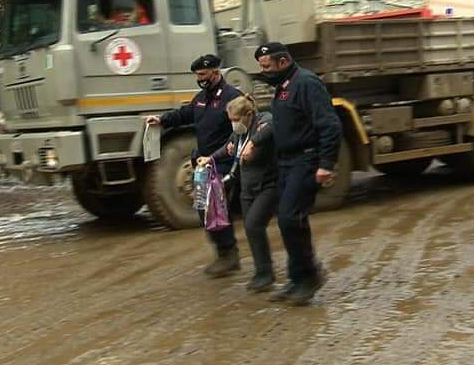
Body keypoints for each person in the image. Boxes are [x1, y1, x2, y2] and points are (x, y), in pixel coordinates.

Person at [254, 42, 342, 305]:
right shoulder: (283, 86)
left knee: (292, 218)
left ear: (283, 62)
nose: (264, 71)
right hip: (287, 163)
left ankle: (310, 276)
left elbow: (330, 125)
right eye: (261, 67)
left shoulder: (306, 83)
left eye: (267, 66)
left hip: (306, 160)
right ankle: (297, 279)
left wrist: (326, 164)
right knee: (288, 221)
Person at [146, 55, 242, 276]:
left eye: (202, 75)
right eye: (197, 75)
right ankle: (223, 252)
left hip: (222, 164)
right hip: (203, 166)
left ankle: (229, 255)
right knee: (204, 210)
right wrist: (161, 120)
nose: (199, 79)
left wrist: (225, 157)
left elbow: (240, 132)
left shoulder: (232, 98)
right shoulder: (201, 98)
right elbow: (185, 114)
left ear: (215, 73)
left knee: (215, 209)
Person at [198, 94, 279, 292]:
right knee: (252, 230)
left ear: (249, 114)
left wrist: (254, 143)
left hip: (269, 186)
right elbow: (228, 147)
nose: (234, 124)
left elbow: (271, 127)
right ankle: (262, 272)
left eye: (236, 120)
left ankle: (266, 274)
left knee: (253, 225)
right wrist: (210, 159)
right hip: (248, 188)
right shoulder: (238, 133)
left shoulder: (262, 122)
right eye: (231, 120)